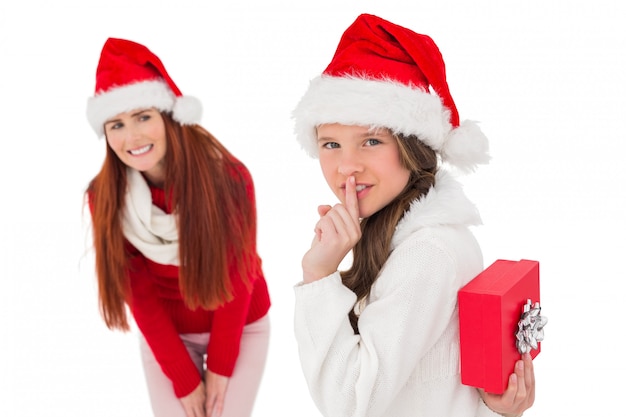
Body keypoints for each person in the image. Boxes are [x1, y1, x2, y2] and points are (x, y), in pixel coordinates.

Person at [291, 14, 535, 417]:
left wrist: (318, 276)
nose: (345, 166)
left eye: (370, 140)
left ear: (411, 147)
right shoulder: (411, 237)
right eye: (331, 143)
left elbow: (351, 403)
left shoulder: (427, 253)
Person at [84, 38, 271, 417]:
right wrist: (184, 379)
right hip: (169, 337)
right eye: (116, 124)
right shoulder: (105, 196)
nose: (132, 137)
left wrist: (220, 366)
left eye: (143, 117)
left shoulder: (230, 178)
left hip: (240, 324)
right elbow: (138, 294)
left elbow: (238, 275)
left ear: (168, 116)